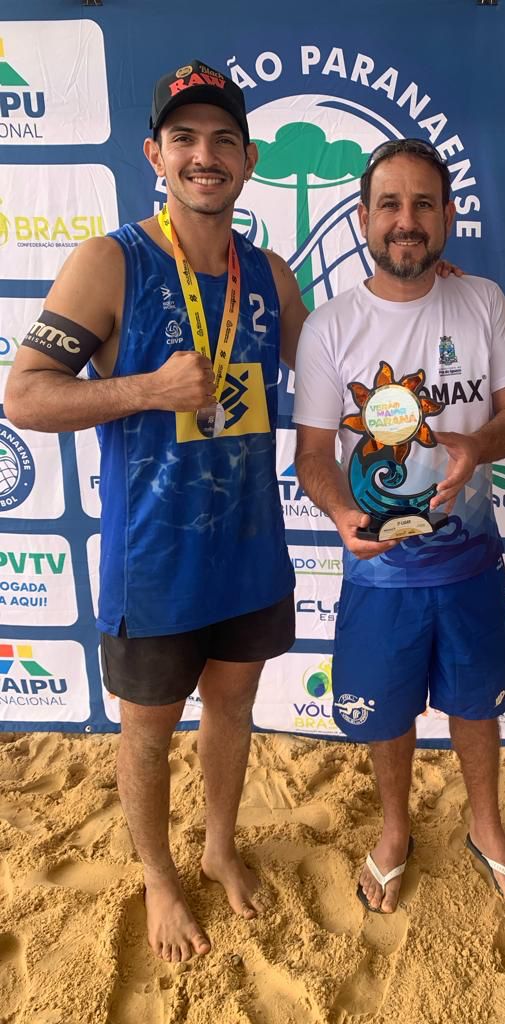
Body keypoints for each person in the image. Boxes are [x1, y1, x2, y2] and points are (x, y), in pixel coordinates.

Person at [4, 60, 309, 963]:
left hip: (251, 552)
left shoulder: (271, 275)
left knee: (231, 709)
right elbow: (25, 396)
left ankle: (217, 845)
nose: (204, 156)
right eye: (185, 139)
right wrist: (145, 388)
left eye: (222, 140)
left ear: (248, 161)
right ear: (155, 154)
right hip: (154, 560)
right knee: (145, 730)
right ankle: (159, 878)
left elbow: (336, 366)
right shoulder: (111, 260)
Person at [292, 138, 505, 914]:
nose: (407, 220)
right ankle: (395, 831)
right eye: (390, 204)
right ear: (364, 217)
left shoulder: (483, 300)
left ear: (448, 216)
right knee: (388, 712)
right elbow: (310, 454)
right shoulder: (329, 325)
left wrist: (476, 446)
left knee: (476, 707)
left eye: (423, 204)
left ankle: (486, 824)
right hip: (379, 573)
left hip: (470, 566)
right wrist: (341, 511)